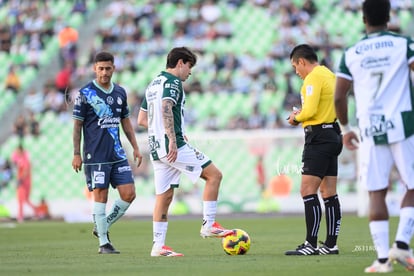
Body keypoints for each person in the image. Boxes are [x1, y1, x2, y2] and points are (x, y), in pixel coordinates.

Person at [334, 0, 414, 272]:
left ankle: (382, 260)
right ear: (389, 17)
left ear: (363, 18)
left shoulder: (351, 53)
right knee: (412, 186)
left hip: (370, 129)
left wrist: (346, 129)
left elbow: (339, 96)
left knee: (376, 191)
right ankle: (401, 245)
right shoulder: (404, 44)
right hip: (404, 124)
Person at [137, 47, 232, 257]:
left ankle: (158, 247)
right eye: (189, 67)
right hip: (172, 146)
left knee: (164, 196)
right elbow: (166, 107)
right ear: (180, 63)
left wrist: (164, 133)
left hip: (155, 148)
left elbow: (142, 120)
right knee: (214, 175)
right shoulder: (173, 82)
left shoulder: (153, 84)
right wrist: (172, 137)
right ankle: (209, 224)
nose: (190, 73)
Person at [72, 51, 143, 254]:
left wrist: (136, 147)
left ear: (114, 68)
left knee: (129, 194)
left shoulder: (120, 92)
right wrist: (76, 154)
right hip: (96, 155)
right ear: (95, 69)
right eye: (100, 68)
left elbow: (126, 123)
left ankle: (102, 226)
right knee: (100, 196)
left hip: (117, 153)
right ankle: (104, 243)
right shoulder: (85, 94)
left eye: (108, 68)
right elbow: (77, 126)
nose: (104, 72)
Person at [285, 44, 343, 256]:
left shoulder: (312, 78)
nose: (296, 72)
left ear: (302, 61)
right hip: (334, 133)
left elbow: (309, 110)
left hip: (318, 137)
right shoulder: (329, 74)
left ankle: (311, 244)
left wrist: (295, 117)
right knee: (329, 192)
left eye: (295, 66)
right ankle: (330, 244)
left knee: (307, 191)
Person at [11, 144, 36, 223]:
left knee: (21, 200)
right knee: (25, 200)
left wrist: (20, 180)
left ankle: (20, 217)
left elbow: (26, 171)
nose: (16, 152)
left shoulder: (24, 160)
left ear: (21, 151)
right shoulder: (21, 160)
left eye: (18, 150)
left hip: (23, 183)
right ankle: (37, 211)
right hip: (25, 182)